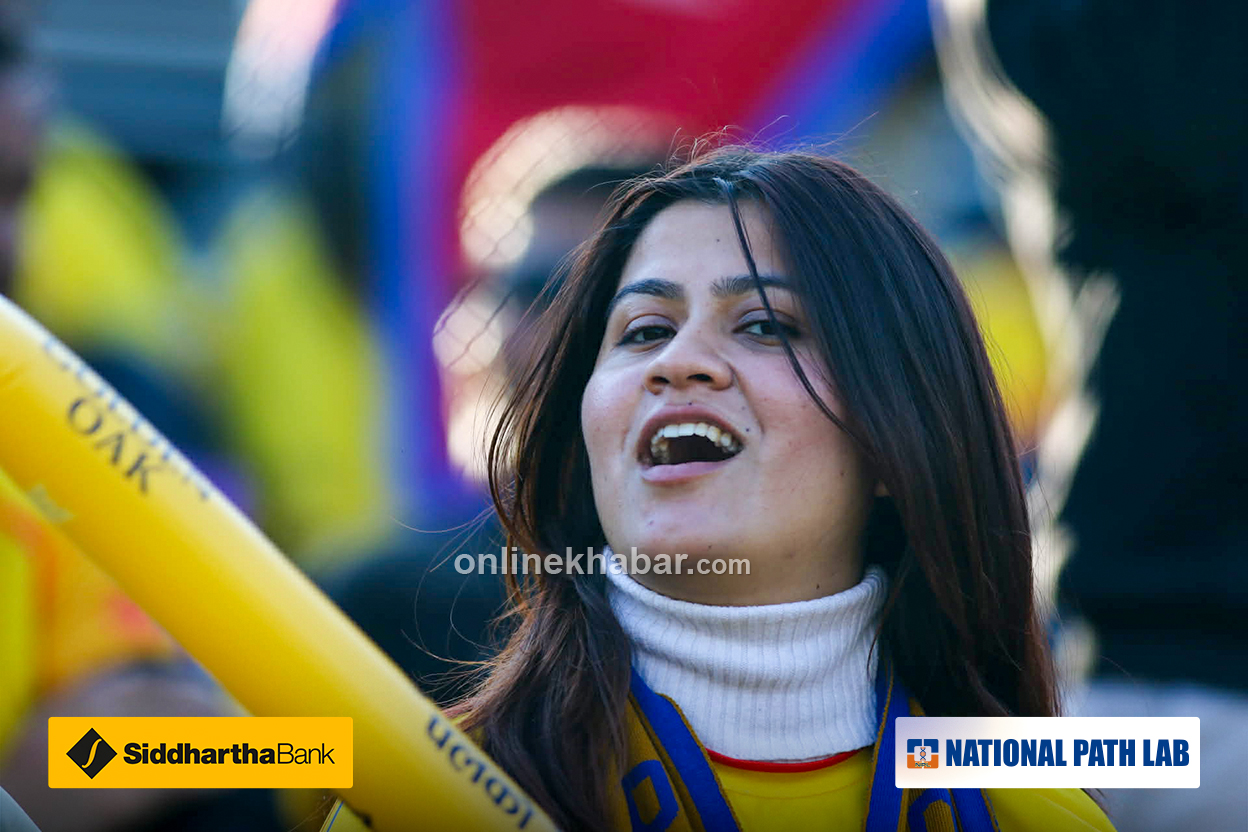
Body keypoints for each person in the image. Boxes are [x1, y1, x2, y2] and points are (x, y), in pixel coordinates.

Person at [434, 147, 1114, 832]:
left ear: (898, 435)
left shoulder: (1042, 812)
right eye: (645, 331)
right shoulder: (430, 790)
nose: (677, 360)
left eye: (765, 325)